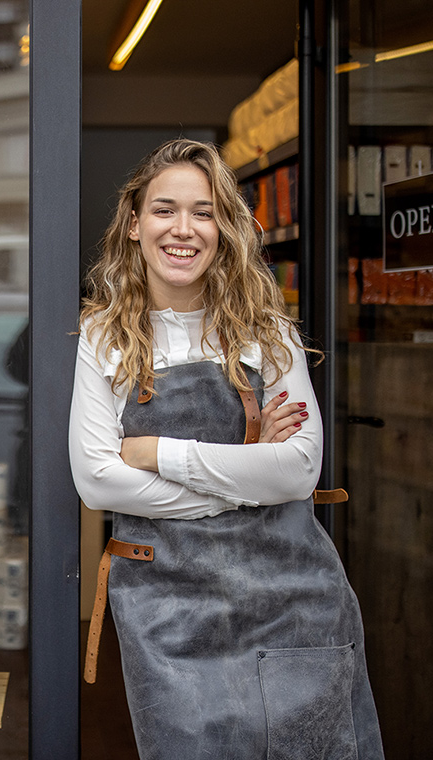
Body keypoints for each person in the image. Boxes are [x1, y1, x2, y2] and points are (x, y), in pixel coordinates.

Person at [69, 139, 384, 760]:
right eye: (164, 210)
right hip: (169, 613)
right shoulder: (101, 338)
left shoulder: (269, 331)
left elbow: (297, 471)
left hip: (293, 601)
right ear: (133, 224)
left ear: (225, 227)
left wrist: (154, 450)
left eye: (204, 211)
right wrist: (246, 477)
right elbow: (100, 483)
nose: (182, 229)